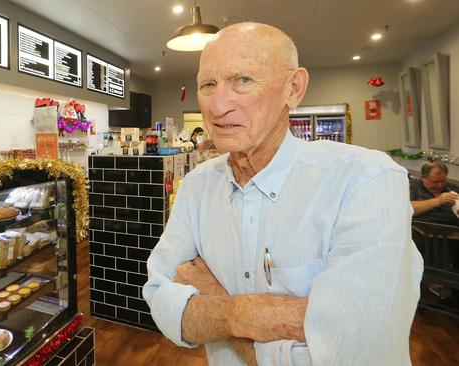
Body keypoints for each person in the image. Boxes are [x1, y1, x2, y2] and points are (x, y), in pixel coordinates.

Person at [143, 22, 423, 366]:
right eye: (208, 85)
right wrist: (249, 313)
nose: (217, 106)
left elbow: (352, 356)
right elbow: (159, 299)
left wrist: (215, 303)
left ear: (294, 88)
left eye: (242, 80)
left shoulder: (364, 181)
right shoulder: (198, 185)